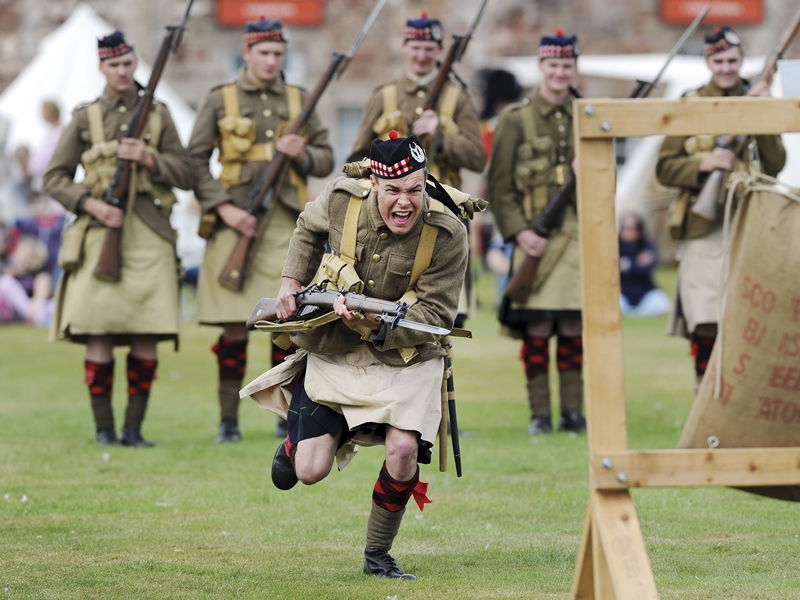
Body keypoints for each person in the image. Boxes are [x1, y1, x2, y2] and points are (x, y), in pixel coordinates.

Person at [241, 131, 470, 579]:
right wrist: (291, 282)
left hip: (409, 353)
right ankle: (294, 444)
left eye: (416, 190)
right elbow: (308, 227)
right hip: (337, 345)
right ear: (374, 185)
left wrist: (371, 322)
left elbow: (435, 314)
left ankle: (377, 554)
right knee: (308, 471)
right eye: (394, 191)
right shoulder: (342, 198)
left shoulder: (448, 233)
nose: (405, 202)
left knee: (403, 450)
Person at [43, 30, 193, 446]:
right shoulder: (83, 116)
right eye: (113, 65)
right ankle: (105, 431)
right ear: (101, 67)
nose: (122, 72)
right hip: (98, 234)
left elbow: (185, 172)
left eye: (128, 64)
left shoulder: (159, 113)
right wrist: (90, 205)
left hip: (149, 233)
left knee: (146, 330)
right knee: (99, 330)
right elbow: (54, 177)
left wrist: (149, 158)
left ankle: (133, 430)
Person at [188, 17, 334, 443]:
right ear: (247, 52)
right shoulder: (221, 99)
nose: (272, 61)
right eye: (264, 53)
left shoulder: (299, 98)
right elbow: (195, 161)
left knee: (283, 319)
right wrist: (225, 209)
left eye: (278, 53)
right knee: (234, 326)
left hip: (286, 223)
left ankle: (284, 415)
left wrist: (302, 153)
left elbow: (327, 159)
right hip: (237, 220)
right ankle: (228, 421)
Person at [656, 26, 785, 386]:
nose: (727, 67)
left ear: (741, 61)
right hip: (703, 224)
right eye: (719, 60)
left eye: (733, 60)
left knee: (749, 321)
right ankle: (704, 399)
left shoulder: (756, 97)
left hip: (749, 222)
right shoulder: (690, 102)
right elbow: (664, 167)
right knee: (706, 320)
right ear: (708, 62)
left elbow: (774, 163)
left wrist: (762, 115)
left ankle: (739, 402)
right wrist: (703, 164)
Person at [347, 13, 485, 327]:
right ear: (404, 46)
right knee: (381, 318)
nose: (422, 55)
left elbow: (478, 158)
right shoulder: (384, 96)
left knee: (440, 322)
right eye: (416, 46)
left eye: (429, 47)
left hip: (441, 215)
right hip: (389, 219)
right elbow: (357, 158)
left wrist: (441, 135)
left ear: (439, 50)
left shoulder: (457, 98)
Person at [487, 30, 586, 435]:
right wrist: (519, 232)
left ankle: (574, 413)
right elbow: (500, 186)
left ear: (574, 67)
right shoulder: (516, 119)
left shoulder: (588, 112)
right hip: (536, 235)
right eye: (553, 65)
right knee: (540, 326)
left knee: (574, 325)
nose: (560, 73)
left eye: (567, 65)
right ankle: (540, 414)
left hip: (579, 235)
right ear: (541, 67)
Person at [618, 213, 671, 317]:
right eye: (625, 228)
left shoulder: (647, 246)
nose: (628, 232)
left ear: (639, 231)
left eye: (632, 228)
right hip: (622, 295)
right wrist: (636, 263)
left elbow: (646, 270)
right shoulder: (614, 246)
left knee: (668, 307)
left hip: (645, 294)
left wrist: (627, 264)